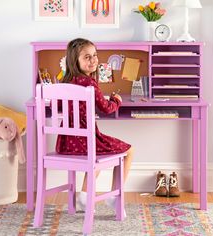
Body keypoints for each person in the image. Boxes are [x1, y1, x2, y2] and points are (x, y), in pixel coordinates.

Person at [56, 38, 133, 214]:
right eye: (87, 57)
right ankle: (115, 198)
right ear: (75, 61)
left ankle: (83, 196)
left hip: (66, 143)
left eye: (95, 56)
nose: (93, 60)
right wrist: (116, 100)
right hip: (86, 142)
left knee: (96, 155)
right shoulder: (89, 83)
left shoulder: (64, 83)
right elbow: (106, 109)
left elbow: (57, 106)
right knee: (129, 150)